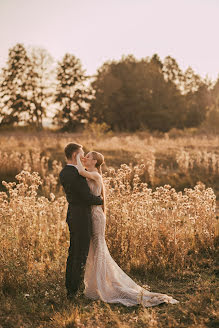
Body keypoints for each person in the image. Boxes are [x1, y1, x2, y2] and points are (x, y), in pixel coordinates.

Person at [76, 150, 179, 307]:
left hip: (96, 216)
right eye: (85, 156)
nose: (85, 158)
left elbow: (80, 171)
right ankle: (95, 286)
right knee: (94, 250)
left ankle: (103, 286)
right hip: (91, 215)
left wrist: (76, 156)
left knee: (98, 249)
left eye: (88, 156)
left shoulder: (96, 175)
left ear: (95, 161)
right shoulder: (91, 173)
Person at [59, 143, 103, 300]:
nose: (83, 157)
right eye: (81, 154)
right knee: (80, 253)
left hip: (73, 215)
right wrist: (99, 200)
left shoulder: (65, 172)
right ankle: (74, 291)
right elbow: (85, 196)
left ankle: (70, 287)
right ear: (74, 155)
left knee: (74, 252)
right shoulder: (76, 174)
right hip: (81, 217)